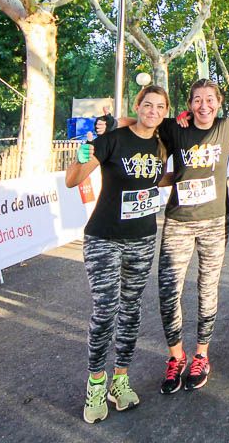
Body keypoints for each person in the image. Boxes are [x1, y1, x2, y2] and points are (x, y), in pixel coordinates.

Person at [64, 85, 170, 424]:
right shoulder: (113, 139)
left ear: (165, 112)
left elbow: (160, 180)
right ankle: (96, 382)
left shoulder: (161, 145)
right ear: (137, 107)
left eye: (160, 107)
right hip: (103, 237)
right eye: (148, 105)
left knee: (131, 310)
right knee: (106, 309)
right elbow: (71, 180)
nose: (153, 111)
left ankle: (120, 380)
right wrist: (80, 157)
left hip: (142, 238)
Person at [149, 80, 229, 394]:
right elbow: (142, 125)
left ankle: (201, 355)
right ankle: (176, 356)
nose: (204, 106)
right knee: (168, 290)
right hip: (179, 221)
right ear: (188, 104)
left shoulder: (228, 127)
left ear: (219, 102)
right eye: (197, 100)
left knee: (207, 288)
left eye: (210, 99)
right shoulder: (176, 128)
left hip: (215, 222)